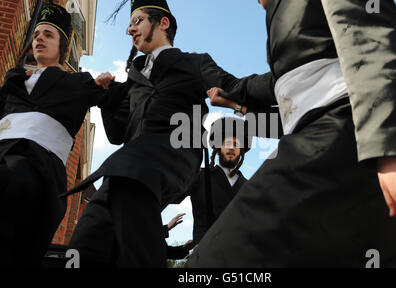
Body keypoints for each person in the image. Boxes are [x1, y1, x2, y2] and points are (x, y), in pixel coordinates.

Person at [186, 0, 396, 267]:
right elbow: (259, 91)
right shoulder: (288, 34)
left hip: (346, 138)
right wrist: (210, 76)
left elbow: (373, 34)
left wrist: (395, 148)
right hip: (334, 152)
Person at [64, 0, 272, 267]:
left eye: (137, 21)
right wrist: (106, 99)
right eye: (129, 24)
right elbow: (117, 134)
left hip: (176, 151)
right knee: (90, 231)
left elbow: (234, 86)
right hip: (129, 166)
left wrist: (279, 88)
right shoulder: (134, 80)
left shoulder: (194, 62)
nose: (130, 30)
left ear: (163, 23)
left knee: (130, 184)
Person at [0, 3, 111, 267]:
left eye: (48, 35)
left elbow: (122, 98)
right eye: (37, 34)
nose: (39, 38)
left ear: (63, 46)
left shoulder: (79, 83)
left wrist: (106, 85)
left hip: (38, 171)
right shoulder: (13, 82)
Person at [186, 117, 250, 245]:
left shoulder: (249, 187)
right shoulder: (199, 176)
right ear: (218, 148)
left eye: (236, 145)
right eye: (227, 144)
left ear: (241, 151)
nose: (231, 148)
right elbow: (171, 193)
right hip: (205, 252)